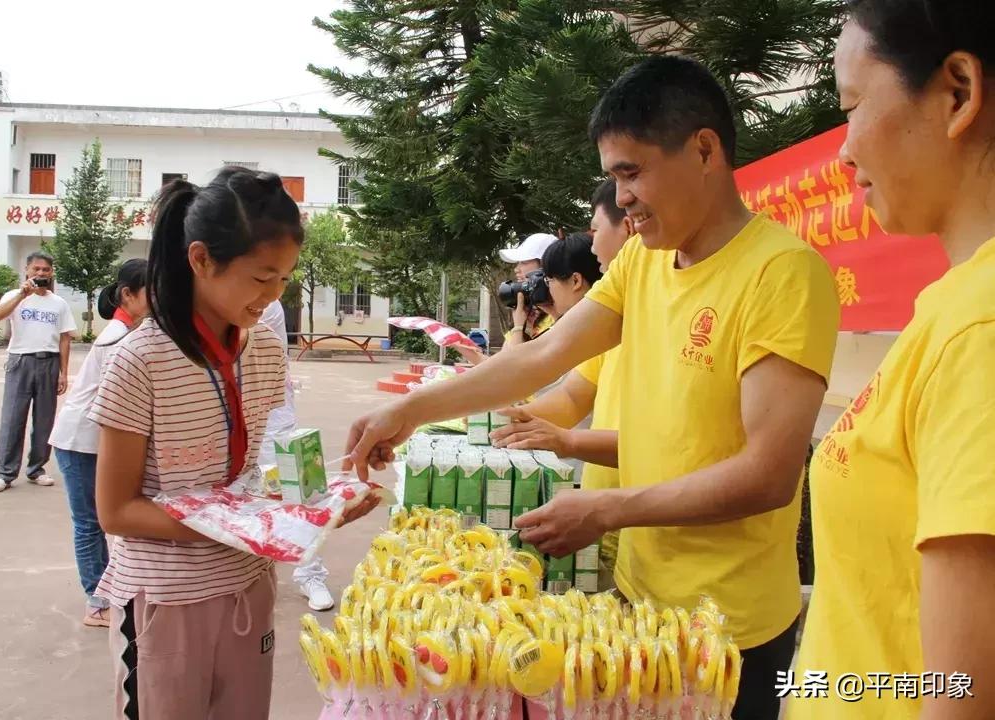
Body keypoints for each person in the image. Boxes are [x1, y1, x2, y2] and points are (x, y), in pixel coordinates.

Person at [345, 56, 840, 720]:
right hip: (637, 604)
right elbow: (546, 353)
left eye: (631, 173)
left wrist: (607, 510)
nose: (622, 197)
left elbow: (769, 474)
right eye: (613, 177)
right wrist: (410, 409)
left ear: (703, 150)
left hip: (728, 630)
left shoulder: (783, 274)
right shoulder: (645, 259)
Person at [91, 168, 380, 720]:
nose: (273, 297)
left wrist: (316, 510)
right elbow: (116, 509)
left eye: (284, 280)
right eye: (260, 278)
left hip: (248, 585)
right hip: (167, 599)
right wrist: (242, 525)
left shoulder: (265, 351)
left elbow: (247, 482)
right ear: (200, 259)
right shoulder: (138, 360)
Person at [789, 3, 995, 718]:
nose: (843, 151)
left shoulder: (982, 330)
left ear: (959, 92)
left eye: (851, 107)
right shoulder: (956, 304)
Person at [490, 180, 633, 581]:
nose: (593, 248)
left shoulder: (658, 317)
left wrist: (564, 440)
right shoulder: (613, 321)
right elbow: (572, 396)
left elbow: (675, 445)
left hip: (636, 521)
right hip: (607, 514)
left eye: (595, 231)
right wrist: (519, 418)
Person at [49, 259, 149, 628]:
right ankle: (98, 602)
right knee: (91, 522)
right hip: (79, 441)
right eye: (152, 290)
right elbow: (116, 408)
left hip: (93, 440)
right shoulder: (118, 338)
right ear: (128, 295)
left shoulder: (129, 331)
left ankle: (115, 592)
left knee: (111, 521)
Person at [257, 299, 335, 612]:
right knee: (237, 498)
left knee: (296, 492)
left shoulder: (266, 302)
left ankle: (310, 574)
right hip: (226, 418)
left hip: (273, 418)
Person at [0, 251, 76, 493]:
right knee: (12, 418)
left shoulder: (59, 304)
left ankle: (37, 469)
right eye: (36, 269)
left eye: (45, 270)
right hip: (20, 361)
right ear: (27, 270)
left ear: (52, 273)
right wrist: (20, 295)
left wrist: (63, 372)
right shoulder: (15, 296)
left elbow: (65, 339)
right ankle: (4, 473)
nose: (40, 273)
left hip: (49, 362)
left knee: (44, 420)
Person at [455, 232, 558, 365]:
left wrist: (519, 327)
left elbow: (512, 367)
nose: (517, 269)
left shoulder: (560, 315)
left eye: (524, 262)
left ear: (545, 266)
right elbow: (498, 366)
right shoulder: (527, 314)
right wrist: (461, 345)